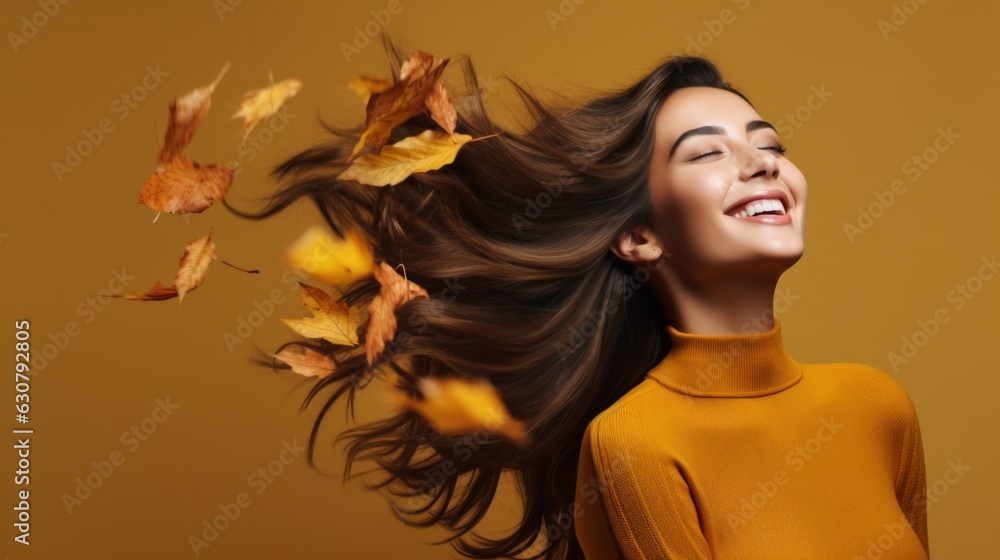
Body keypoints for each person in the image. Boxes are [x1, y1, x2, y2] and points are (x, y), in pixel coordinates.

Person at [227, 36, 929, 560]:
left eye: (769, 143)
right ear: (639, 237)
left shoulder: (877, 406)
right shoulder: (636, 444)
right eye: (709, 153)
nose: (761, 162)